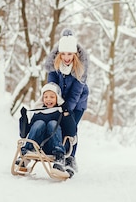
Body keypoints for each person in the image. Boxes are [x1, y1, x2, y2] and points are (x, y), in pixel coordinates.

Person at [44, 28, 89, 177]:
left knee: (71, 127)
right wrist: (53, 100)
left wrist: (66, 110)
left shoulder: (80, 66)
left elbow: (76, 92)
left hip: (78, 102)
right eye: (63, 54)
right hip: (60, 99)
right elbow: (52, 85)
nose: (66, 57)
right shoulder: (54, 65)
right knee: (57, 126)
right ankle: (59, 155)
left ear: (75, 53)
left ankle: (70, 158)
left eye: (70, 54)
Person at [15, 82, 72, 174]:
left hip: (54, 147)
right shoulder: (38, 112)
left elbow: (71, 132)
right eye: (46, 97)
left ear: (57, 97)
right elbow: (23, 134)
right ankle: (25, 155)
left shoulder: (61, 112)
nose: (48, 99)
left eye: (52, 97)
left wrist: (67, 113)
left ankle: (59, 159)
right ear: (42, 98)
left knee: (53, 124)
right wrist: (23, 118)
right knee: (39, 123)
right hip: (37, 147)